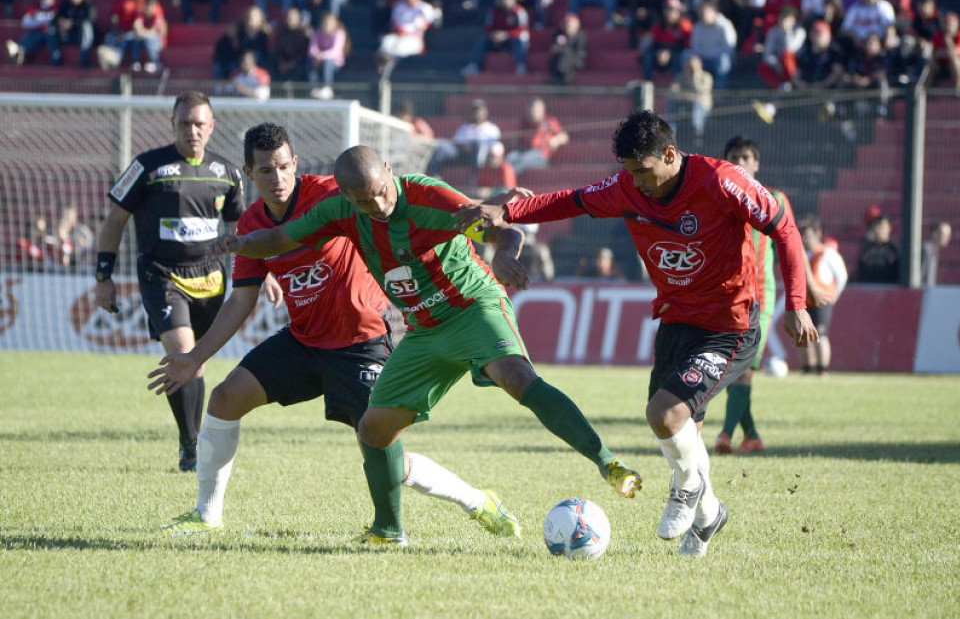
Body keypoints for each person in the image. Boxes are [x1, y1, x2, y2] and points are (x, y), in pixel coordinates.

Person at [216, 145, 643, 546]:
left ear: (389, 171)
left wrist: (502, 254)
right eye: (364, 201)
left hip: (473, 306)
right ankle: (388, 530)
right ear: (345, 197)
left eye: (382, 192)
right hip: (424, 329)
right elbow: (278, 240)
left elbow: (500, 228)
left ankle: (608, 463)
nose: (378, 205)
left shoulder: (426, 195)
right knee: (374, 429)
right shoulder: (339, 210)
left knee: (516, 377)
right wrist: (239, 243)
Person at [453, 109, 817, 557]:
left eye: (643, 172)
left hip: (729, 325)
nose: (637, 183)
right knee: (685, 433)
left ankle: (685, 492)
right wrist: (507, 210)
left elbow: (784, 226)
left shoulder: (722, 181)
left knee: (664, 416)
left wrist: (797, 304)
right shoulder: (626, 187)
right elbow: (568, 200)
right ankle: (708, 516)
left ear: (669, 154)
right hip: (676, 321)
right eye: (629, 173)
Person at [151, 123, 522, 538]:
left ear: (295, 164)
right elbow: (241, 301)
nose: (277, 179)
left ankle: (478, 501)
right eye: (265, 171)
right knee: (223, 399)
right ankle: (206, 516)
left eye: (282, 167)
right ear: (248, 173)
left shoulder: (335, 193)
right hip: (304, 341)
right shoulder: (253, 225)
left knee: (386, 454)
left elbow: (409, 197)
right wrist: (195, 358)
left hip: (360, 345)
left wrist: (487, 205)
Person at [94, 92, 246, 472]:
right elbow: (115, 221)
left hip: (211, 278)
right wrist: (103, 275)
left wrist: (263, 271)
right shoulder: (147, 166)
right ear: (172, 124)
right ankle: (190, 443)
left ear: (211, 127)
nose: (192, 131)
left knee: (197, 363)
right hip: (161, 274)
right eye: (184, 123)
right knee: (181, 351)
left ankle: (193, 438)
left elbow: (242, 229)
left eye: (199, 124)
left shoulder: (228, 173)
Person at [714, 136, 795, 455]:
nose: (742, 162)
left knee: (743, 366)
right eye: (735, 156)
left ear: (756, 163)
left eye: (747, 156)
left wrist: (803, 291)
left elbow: (791, 244)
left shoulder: (775, 199)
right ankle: (752, 436)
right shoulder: (720, 199)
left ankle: (724, 435)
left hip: (761, 297)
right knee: (734, 368)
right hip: (729, 298)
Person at [797, 216, 847, 377]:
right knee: (804, 335)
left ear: (817, 233)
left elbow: (842, 276)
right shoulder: (803, 255)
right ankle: (808, 368)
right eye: (802, 234)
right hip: (806, 302)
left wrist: (832, 297)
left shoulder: (827, 253)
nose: (804, 238)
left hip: (822, 301)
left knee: (820, 334)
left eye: (808, 234)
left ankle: (823, 369)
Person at [461, 0, 531, 77]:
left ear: (513, 0)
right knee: (482, 40)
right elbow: (487, 29)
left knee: (519, 41)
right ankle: (475, 65)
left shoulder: (519, 12)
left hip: (512, 40)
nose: (505, 1)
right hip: (496, 40)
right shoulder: (494, 12)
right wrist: (494, 35)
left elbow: (522, 30)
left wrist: (505, 35)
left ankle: (521, 65)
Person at [375, 0, 440, 76]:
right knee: (386, 41)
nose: (410, 0)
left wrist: (414, 29)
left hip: (414, 39)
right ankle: (383, 65)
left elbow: (431, 23)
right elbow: (394, 24)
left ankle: (389, 65)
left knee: (400, 48)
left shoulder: (425, 8)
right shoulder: (399, 6)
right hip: (398, 36)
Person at [505, 97, 568, 176]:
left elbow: (564, 136)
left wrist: (556, 140)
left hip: (540, 156)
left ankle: (508, 180)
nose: (534, 112)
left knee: (523, 160)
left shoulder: (549, 122)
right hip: (523, 152)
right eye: (532, 110)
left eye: (536, 110)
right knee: (510, 157)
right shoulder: (524, 123)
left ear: (543, 110)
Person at [5, 0, 58, 66]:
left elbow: (56, 21)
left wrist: (38, 20)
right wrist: (42, 21)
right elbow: (25, 22)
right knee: (30, 36)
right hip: (38, 34)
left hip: (53, 34)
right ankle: (19, 50)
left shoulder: (57, 6)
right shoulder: (36, 7)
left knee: (50, 32)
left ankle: (56, 57)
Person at [687, 0, 737, 89]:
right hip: (703, 59)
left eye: (705, 13)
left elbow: (728, 48)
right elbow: (694, 47)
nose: (702, 16)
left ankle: (719, 95)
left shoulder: (725, 26)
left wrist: (710, 54)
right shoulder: (698, 27)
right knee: (686, 57)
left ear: (714, 12)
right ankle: (694, 90)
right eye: (700, 13)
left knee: (723, 62)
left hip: (718, 59)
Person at [640, 0, 692, 81]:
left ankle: (677, 83)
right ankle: (647, 83)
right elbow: (655, 42)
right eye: (667, 9)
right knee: (648, 57)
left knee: (679, 58)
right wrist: (660, 52)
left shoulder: (685, 25)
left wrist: (669, 53)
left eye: (672, 10)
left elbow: (686, 44)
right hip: (661, 52)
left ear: (679, 12)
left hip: (677, 52)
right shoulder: (659, 25)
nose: (669, 13)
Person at [669, 54, 714, 147]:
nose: (691, 69)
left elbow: (700, 95)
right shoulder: (681, 77)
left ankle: (697, 133)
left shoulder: (706, 77)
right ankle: (670, 133)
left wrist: (695, 77)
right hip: (683, 105)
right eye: (689, 66)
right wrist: (687, 96)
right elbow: (673, 92)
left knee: (696, 105)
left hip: (703, 107)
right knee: (671, 104)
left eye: (693, 66)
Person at [51, 0, 96, 68]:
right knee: (51, 29)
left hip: (82, 37)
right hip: (68, 35)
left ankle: (84, 59)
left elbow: (90, 19)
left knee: (86, 26)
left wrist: (72, 23)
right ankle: (55, 57)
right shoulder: (65, 4)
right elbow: (55, 19)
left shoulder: (87, 4)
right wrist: (61, 23)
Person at [308, 11, 347, 99]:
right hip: (318, 61)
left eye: (329, 23)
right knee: (310, 62)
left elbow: (335, 52)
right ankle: (313, 88)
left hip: (335, 64)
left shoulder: (339, 34)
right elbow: (312, 49)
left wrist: (320, 57)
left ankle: (327, 88)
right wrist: (316, 58)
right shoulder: (318, 33)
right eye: (324, 23)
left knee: (327, 62)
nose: (326, 25)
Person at [855, 214, 900, 283]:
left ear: (889, 228)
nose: (878, 230)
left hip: (889, 285)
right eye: (876, 226)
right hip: (869, 285)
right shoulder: (867, 247)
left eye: (882, 227)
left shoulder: (894, 248)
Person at [271, 7, 310, 83]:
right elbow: (278, 50)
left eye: (292, 18)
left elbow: (303, 55)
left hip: (297, 63)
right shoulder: (281, 33)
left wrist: (290, 64)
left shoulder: (304, 35)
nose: (289, 21)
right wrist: (281, 62)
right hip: (283, 63)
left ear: (298, 20)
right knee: (271, 62)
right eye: (288, 18)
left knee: (303, 67)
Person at [548, 12, 588, 85]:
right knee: (563, 55)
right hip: (560, 62)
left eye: (569, 25)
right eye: (566, 25)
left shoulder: (580, 36)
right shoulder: (560, 34)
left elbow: (580, 53)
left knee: (566, 54)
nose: (567, 27)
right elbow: (553, 49)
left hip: (575, 61)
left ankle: (563, 81)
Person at [921, 221, 952, 287]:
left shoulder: (933, 251)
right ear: (934, 234)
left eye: (948, 235)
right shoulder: (926, 250)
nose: (947, 238)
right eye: (944, 234)